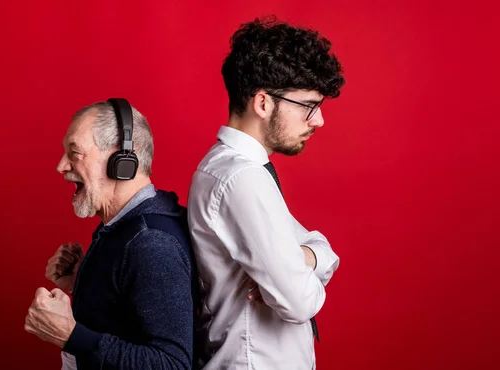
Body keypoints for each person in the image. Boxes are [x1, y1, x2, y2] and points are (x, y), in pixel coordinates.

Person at [187, 17, 345, 370]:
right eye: (308, 105)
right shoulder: (240, 177)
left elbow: (325, 252)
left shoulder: (241, 170)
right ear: (263, 102)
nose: (318, 121)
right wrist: (294, 273)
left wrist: (299, 259)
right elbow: (299, 302)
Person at [24, 98, 197, 370]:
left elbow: (172, 364)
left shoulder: (151, 242)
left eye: (75, 153)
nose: (61, 166)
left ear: (121, 160)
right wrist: (86, 284)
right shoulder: (122, 227)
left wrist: (70, 336)